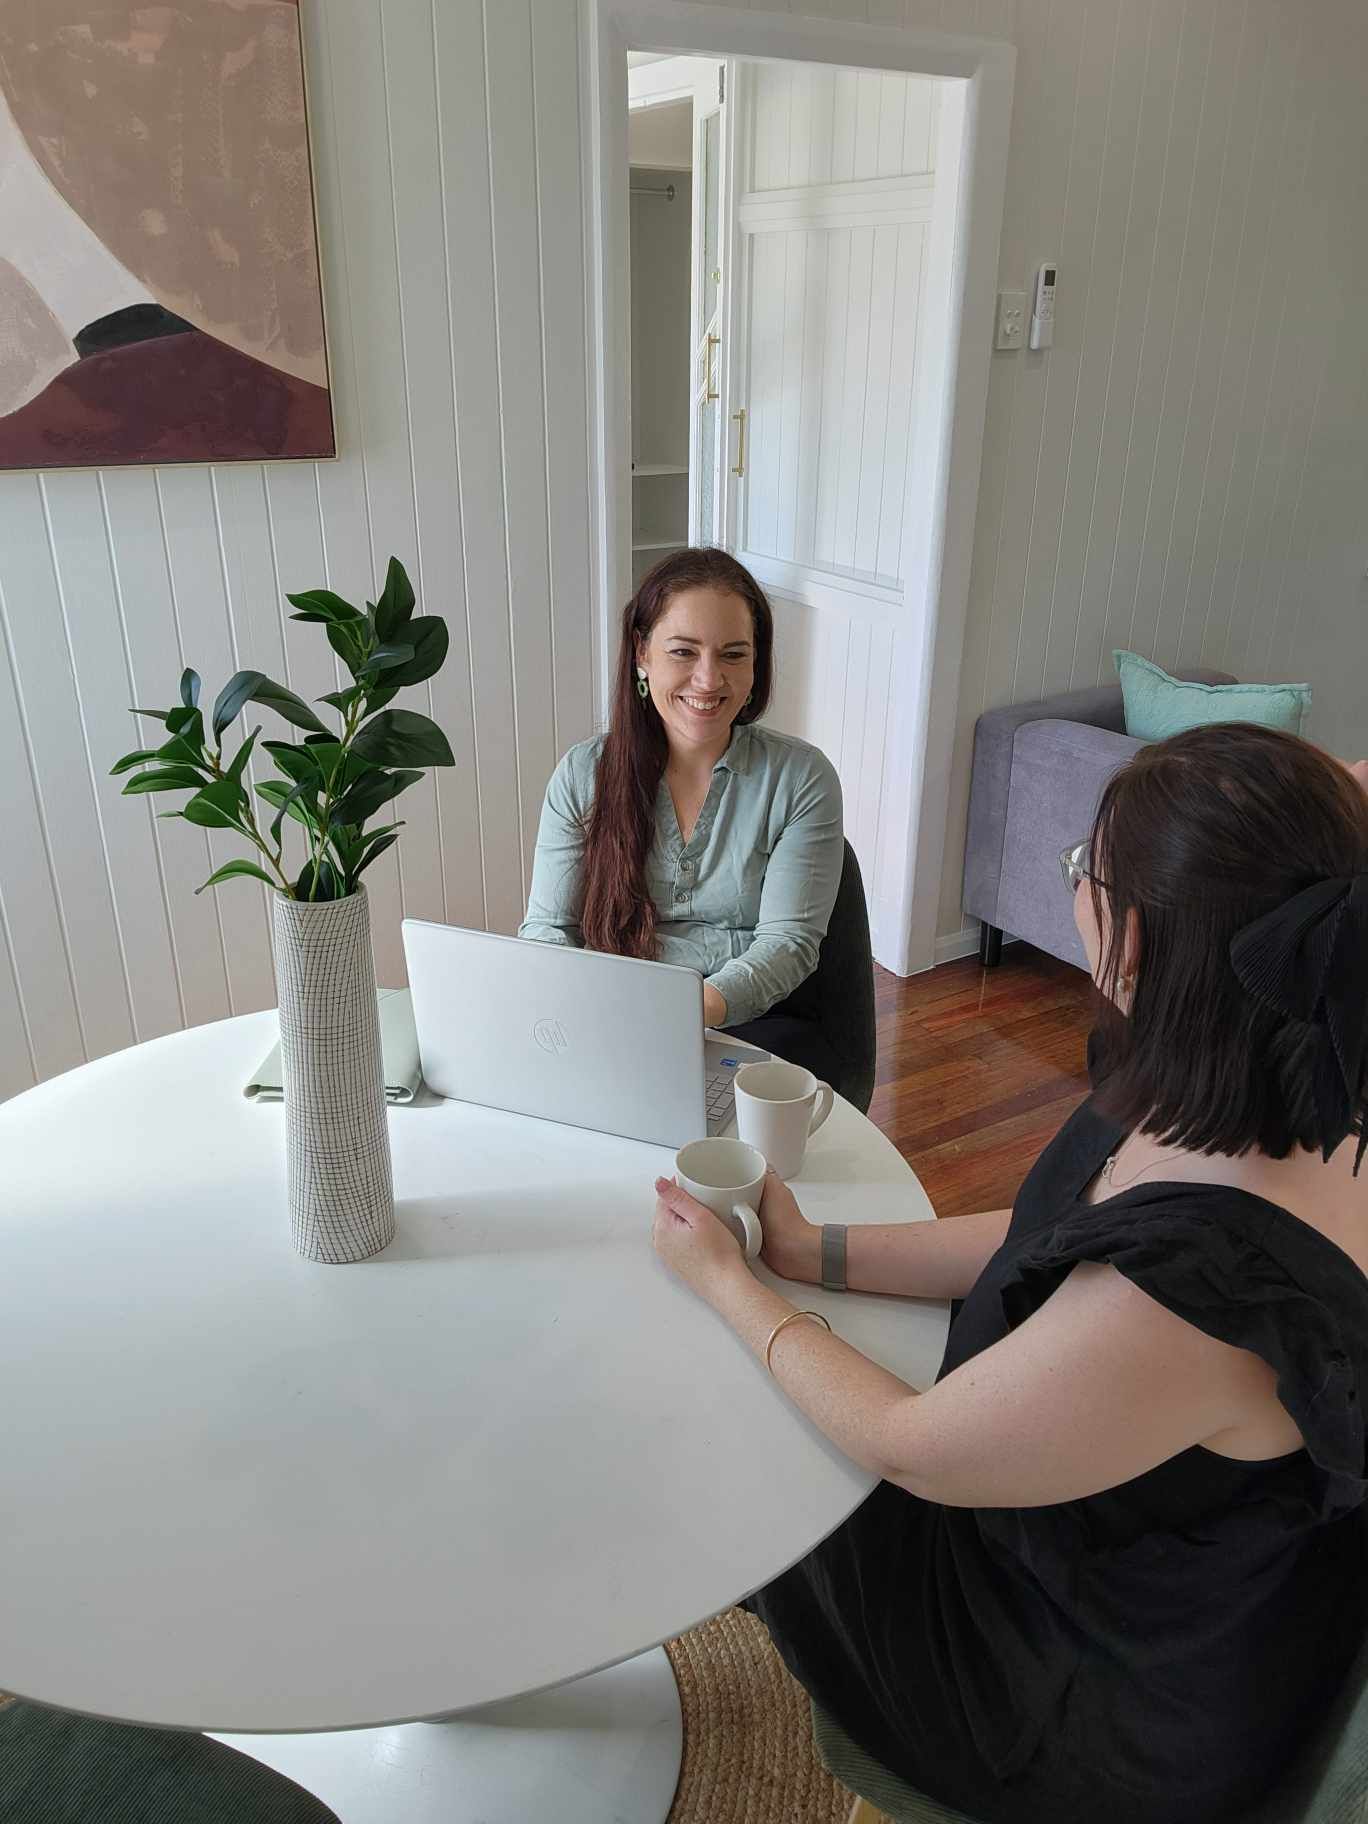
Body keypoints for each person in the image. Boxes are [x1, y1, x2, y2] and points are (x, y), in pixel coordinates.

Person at [652, 723, 1368, 1824]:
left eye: (1085, 872)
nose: (1073, 889)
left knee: (765, 1452)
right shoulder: (1278, 1060)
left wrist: (735, 1290)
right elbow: (1050, 1231)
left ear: (1131, 944)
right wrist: (813, 1253)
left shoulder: (1197, 1291)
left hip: (1085, 1688)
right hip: (1096, 1515)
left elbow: (913, 1449)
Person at [520, 547, 846, 1085]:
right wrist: (586, 1006)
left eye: (734, 654)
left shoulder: (801, 778)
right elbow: (549, 928)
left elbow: (788, 944)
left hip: (753, 1022)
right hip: (613, 1017)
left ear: (757, 663)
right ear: (641, 654)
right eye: (684, 652)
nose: (708, 679)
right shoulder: (583, 775)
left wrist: (688, 1011)